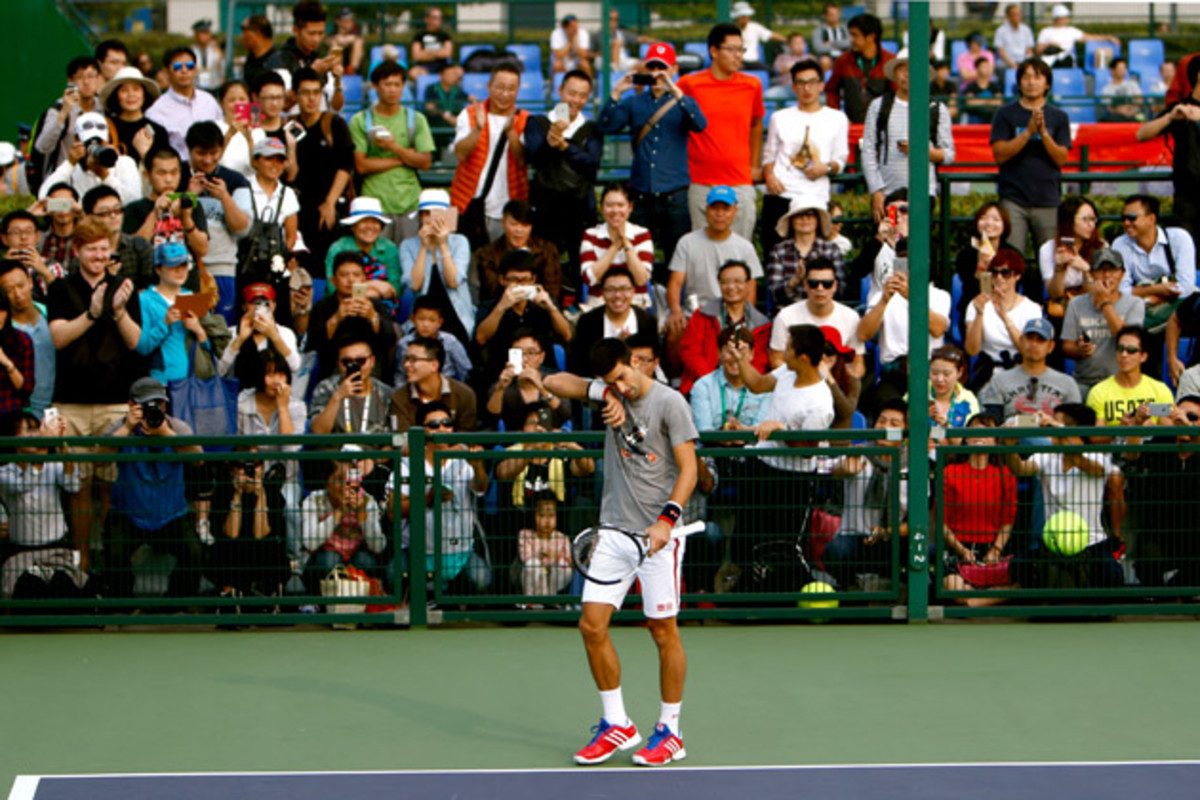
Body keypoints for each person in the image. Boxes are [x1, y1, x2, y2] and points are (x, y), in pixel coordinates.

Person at [543, 337, 698, 767]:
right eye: (613, 382)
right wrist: (604, 391)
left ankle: (670, 731)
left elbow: (690, 469)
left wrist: (667, 520)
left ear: (636, 362)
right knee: (591, 627)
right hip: (613, 530)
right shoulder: (608, 392)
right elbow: (553, 382)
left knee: (663, 632)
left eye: (624, 378)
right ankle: (618, 725)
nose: (622, 387)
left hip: (659, 535)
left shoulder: (671, 404)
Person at [597, 44, 706, 277]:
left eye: (662, 68)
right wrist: (617, 92)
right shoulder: (634, 102)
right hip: (642, 193)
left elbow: (700, 124)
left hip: (674, 193)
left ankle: (676, 306)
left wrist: (674, 89)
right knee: (635, 255)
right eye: (652, 67)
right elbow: (606, 125)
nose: (657, 73)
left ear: (674, 69)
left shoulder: (682, 102)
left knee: (677, 258)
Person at [102, 377, 204, 599]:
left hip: (172, 515)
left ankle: (177, 601)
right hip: (129, 514)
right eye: (146, 405)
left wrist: (165, 434)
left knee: (194, 553)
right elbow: (99, 458)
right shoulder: (121, 426)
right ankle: (122, 602)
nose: (154, 409)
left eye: (159, 404)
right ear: (131, 405)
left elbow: (198, 458)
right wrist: (128, 427)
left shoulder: (175, 426)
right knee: (114, 552)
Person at [1004, 403, 1124, 588]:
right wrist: (1010, 447)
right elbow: (1020, 468)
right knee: (1018, 567)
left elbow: (1081, 461)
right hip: (1054, 543)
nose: (1048, 427)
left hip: (1091, 543)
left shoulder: (1096, 456)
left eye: (1056, 422)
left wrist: (1057, 427)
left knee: (1112, 576)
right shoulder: (1047, 456)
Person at [678, 22, 765, 240]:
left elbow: (756, 123)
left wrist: (754, 164)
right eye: (732, 49)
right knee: (702, 252)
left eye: (741, 49)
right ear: (714, 51)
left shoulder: (752, 84)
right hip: (700, 181)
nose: (739, 56)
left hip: (740, 180)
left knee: (740, 251)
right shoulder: (690, 84)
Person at [392, 402, 488, 588]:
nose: (442, 429)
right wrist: (427, 499)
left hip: (461, 550)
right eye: (434, 425)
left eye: (447, 423)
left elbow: (480, 488)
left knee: (482, 580)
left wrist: (477, 466)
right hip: (420, 552)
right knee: (396, 577)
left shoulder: (462, 459)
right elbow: (393, 510)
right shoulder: (407, 463)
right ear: (422, 430)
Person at [760, 58, 849, 256]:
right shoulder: (780, 117)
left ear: (821, 85)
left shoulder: (837, 119)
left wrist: (824, 168)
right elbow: (768, 157)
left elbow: (840, 160)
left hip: (815, 197)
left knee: (815, 262)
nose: (806, 88)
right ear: (793, 87)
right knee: (775, 260)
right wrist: (770, 176)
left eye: (812, 82)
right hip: (781, 195)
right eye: (801, 83)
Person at [525, 70, 603, 282]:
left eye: (582, 95)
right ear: (560, 92)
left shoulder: (591, 129)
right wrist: (550, 142)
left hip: (579, 208)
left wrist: (564, 146)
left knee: (583, 266)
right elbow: (532, 157)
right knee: (542, 264)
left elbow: (592, 162)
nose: (576, 100)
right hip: (545, 208)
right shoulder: (538, 123)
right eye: (571, 93)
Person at [823, 399, 908, 590]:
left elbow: (916, 521)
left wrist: (886, 532)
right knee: (834, 551)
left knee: (928, 550)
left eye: (894, 424)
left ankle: (900, 586)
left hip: (890, 539)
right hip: (854, 539)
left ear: (905, 432)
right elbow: (839, 469)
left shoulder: (912, 465)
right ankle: (851, 586)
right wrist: (844, 468)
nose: (885, 427)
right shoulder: (860, 454)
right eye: (881, 421)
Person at [861, 52, 955, 222]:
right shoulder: (879, 106)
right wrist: (876, 190)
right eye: (902, 69)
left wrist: (921, 151)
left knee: (919, 244)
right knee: (889, 242)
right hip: (887, 193)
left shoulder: (937, 108)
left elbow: (948, 155)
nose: (907, 74)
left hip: (924, 193)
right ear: (895, 74)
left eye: (913, 69)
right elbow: (868, 151)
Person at [991, 58, 1071, 255]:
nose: (1031, 82)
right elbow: (999, 154)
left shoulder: (1059, 116)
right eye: (1026, 77)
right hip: (1013, 199)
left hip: (1048, 200)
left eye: (1037, 77)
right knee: (1011, 258)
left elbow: (1061, 158)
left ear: (1047, 84)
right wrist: (1027, 132)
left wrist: (1043, 133)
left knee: (1052, 261)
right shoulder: (1004, 113)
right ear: (1019, 82)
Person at [350, 61, 435, 244]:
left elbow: (425, 162)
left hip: (409, 203)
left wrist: (394, 148)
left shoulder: (416, 119)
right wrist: (402, 158)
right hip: (375, 204)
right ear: (375, 87)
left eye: (397, 85)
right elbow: (362, 165)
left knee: (409, 261)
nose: (393, 90)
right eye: (387, 84)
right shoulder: (360, 120)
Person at [1119, 395, 1200, 588]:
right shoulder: (1162, 441)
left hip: (1195, 534)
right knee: (1148, 560)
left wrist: (1189, 429)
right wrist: (1136, 426)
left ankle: (1179, 587)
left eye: (1193, 417)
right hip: (1161, 531)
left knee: (1188, 585)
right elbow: (1131, 458)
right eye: (1181, 414)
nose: (1185, 420)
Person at [666, 186, 762, 341]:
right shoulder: (687, 242)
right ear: (706, 210)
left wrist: (744, 318)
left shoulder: (745, 247)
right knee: (674, 330)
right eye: (714, 208)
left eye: (726, 209)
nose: (720, 214)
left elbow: (751, 288)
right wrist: (676, 311)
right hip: (696, 313)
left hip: (732, 313)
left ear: (735, 211)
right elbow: (675, 282)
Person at [449, 64, 529, 249]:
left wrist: (511, 133)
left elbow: (522, 160)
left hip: (509, 206)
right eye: (500, 87)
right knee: (472, 267)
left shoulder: (524, 119)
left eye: (511, 89)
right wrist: (478, 128)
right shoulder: (469, 114)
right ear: (489, 86)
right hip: (471, 203)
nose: (505, 94)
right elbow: (461, 152)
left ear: (518, 90)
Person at [940, 412, 1018, 602]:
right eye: (974, 430)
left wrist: (995, 551)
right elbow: (942, 522)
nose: (980, 435)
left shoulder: (1005, 475)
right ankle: (982, 599)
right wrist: (962, 550)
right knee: (952, 587)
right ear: (965, 439)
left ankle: (976, 601)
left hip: (992, 550)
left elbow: (1008, 520)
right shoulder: (950, 473)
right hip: (958, 549)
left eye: (987, 431)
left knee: (1022, 578)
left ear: (995, 441)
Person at [183, 121, 252, 325]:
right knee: (191, 331)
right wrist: (189, 196)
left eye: (213, 153)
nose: (207, 160)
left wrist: (225, 198)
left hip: (223, 269)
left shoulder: (235, 180)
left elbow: (243, 229)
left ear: (222, 149)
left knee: (221, 331)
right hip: (185, 269)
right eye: (200, 153)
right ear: (189, 150)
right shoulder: (177, 175)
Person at [474, 250, 572, 388]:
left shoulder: (544, 302)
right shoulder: (490, 306)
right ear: (502, 279)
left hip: (543, 371)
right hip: (503, 373)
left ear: (533, 280)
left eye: (525, 280)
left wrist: (551, 308)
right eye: (514, 279)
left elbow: (567, 335)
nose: (520, 285)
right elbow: (480, 338)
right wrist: (501, 307)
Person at [206, 450, 291, 598]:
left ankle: (267, 594)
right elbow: (231, 533)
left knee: (275, 554)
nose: (248, 470)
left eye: (255, 465)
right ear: (233, 470)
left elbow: (261, 534)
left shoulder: (271, 491)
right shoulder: (224, 490)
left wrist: (261, 496)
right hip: (233, 553)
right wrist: (237, 495)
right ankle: (230, 594)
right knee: (223, 552)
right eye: (241, 466)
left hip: (261, 552)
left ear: (262, 468)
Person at [679, 260, 770, 396]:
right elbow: (691, 353)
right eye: (725, 282)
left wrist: (741, 384)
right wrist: (713, 383)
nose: (731, 287)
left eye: (738, 281)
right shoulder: (702, 315)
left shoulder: (761, 323)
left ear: (748, 284)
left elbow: (759, 361)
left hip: (745, 390)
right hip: (704, 384)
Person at [292, 67, 355, 264]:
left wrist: (330, 202)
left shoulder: (333, 124)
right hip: (300, 208)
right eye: (305, 93)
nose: (311, 98)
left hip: (330, 207)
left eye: (316, 92)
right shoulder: (291, 126)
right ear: (295, 95)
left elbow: (345, 166)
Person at [1061, 249, 1144, 396]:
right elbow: (1066, 346)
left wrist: (1105, 303)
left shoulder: (1135, 304)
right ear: (1092, 274)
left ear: (1122, 274)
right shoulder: (1076, 304)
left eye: (1113, 270)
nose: (1107, 276)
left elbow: (1125, 339)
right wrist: (1079, 350)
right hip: (1085, 381)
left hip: (1121, 381)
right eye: (1101, 270)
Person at [0, 413, 79, 567]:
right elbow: (23, 485)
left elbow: (73, 485)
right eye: (28, 430)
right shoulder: (3, 472)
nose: (35, 435)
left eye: (37, 430)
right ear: (13, 437)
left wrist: (62, 443)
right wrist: (43, 445)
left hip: (57, 546)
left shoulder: (51, 464)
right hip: (21, 551)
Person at [1136, 58, 1200, 244]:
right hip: (1186, 195)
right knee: (1187, 252)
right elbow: (1142, 134)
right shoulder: (1180, 108)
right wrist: (1170, 118)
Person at [301, 456, 386, 595]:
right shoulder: (314, 500)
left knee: (365, 561)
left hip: (356, 557)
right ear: (327, 482)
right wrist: (338, 513)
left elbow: (378, 547)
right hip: (324, 558)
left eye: (350, 480)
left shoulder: (367, 500)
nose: (346, 486)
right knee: (331, 560)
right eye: (340, 479)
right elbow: (310, 543)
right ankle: (320, 603)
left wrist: (363, 515)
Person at [306, 251, 397, 382]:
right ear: (333, 280)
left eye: (356, 275)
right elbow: (313, 346)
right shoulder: (322, 307)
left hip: (371, 369)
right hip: (334, 368)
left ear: (364, 279)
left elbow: (390, 340)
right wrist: (336, 318)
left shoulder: (376, 306)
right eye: (344, 275)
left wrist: (372, 317)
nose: (350, 280)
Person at [1112, 194, 1196, 334]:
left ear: (1151, 218)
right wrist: (1156, 291)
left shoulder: (1179, 238)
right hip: (1142, 306)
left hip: (1175, 305)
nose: (1126, 223)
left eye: (1132, 218)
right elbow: (1121, 290)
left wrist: (1153, 297)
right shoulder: (1120, 244)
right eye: (1124, 218)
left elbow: (1186, 287)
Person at [400, 188, 474, 347]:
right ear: (420, 216)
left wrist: (442, 244)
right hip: (423, 317)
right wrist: (423, 247)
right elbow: (414, 284)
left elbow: (453, 281)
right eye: (426, 213)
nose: (431, 219)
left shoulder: (460, 241)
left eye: (437, 213)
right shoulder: (408, 245)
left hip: (455, 313)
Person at [134, 241, 212, 384]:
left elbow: (213, 348)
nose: (180, 271)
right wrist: (165, 324)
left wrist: (198, 330)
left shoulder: (194, 298)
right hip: (162, 384)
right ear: (158, 269)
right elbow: (142, 347)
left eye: (183, 265)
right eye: (172, 266)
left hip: (195, 384)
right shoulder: (144, 299)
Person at [769, 252, 864, 367]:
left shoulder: (851, 317)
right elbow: (776, 360)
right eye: (813, 283)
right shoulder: (786, 316)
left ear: (835, 286)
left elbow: (858, 363)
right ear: (805, 285)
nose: (820, 288)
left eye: (827, 284)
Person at [965, 248, 1046, 379]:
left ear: (1017, 276)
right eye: (994, 272)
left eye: (1005, 273)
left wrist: (1005, 317)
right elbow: (972, 350)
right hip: (989, 372)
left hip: (1021, 372)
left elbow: (1029, 350)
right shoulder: (977, 304)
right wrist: (979, 314)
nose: (999, 278)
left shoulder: (1031, 308)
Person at [979, 318, 1081, 421]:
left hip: (1052, 435)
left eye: (1041, 340)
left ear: (1051, 346)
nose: (1034, 344)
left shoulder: (1067, 383)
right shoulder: (999, 380)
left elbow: (1075, 426)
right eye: (1029, 338)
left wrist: (1053, 423)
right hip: (1013, 435)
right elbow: (991, 423)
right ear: (1021, 341)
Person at [123, 147, 209, 265]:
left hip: (187, 279)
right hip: (150, 280)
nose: (169, 179)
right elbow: (132, 251)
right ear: (147, 174)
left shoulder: (191, 205)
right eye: (161, 173)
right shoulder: (134, 209)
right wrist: (154, 214)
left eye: (174, 173)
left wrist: (186, 218)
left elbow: (202, 250)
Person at [309, 319, 395, 435]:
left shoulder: (386, 394)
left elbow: (392, 440)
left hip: (371, 452)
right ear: (339, 364)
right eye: (347, 362)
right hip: (335, 452)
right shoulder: (325, 388)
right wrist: (337, 397)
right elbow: (318, 432)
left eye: (361, 361)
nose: (355, 367)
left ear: (372, 361)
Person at [39, 112, 141, 207]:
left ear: (107, 140)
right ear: (76, 139)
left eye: (99, 142)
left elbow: (134, 203)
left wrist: (105, 176)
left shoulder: (124, 163)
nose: (94, 148)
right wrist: (69, 164)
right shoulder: (71, 170)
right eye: (88, 143)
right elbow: (44, 202)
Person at [471, 200, 562, 307]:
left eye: (525, 225)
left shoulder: (546, 250)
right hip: (500, 309)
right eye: (513, 224)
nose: (519, 230)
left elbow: (552, 290)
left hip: (540, 307)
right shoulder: (486, 254)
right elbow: (490, 291)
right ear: (503, 223)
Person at [569, 268, 657, 376]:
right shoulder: (588, 322)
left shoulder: (647, 321)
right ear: (602, 292)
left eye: (624, 289)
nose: (618, 295)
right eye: (610, 290)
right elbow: (581, 365)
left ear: (633, 291)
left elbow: (651, 362)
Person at [580, 184, 654, 308]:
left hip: (635, 304)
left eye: (620, 205)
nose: (615, 211)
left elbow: (641, 279)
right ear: (602, 208)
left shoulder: (642, 234)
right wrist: (614, 247)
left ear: (630, 207)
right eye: (609, 205)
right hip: (599, 305)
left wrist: (626, 243)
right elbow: (590, 278)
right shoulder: (590, 235)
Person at [145, 46, 224, 162]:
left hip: (213, 167)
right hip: (178, 173)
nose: (184, 71)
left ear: (195, 70)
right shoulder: (156, 111)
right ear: (166, 72)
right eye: (177, 67)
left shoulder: (209, 101)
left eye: (190, 66)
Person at [1086, 326, 1174, 427]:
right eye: (1120, 349)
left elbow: (1169, 431)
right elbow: (1095, 438)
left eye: (1131, 350)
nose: (1124, 354)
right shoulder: (1099, 392)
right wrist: (1121, 430)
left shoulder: (1159, 391)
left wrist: (1151, 428)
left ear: (1143, 357)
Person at [690, 326, 772, 434]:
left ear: (752, 354)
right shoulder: (703, 386)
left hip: (752, 449)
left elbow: (762, 429)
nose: (736, 357)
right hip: (711, 449)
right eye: (730, 352)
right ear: (719, 353)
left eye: (741, 351)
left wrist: (741, 432)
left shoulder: (764, 388)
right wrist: (723, 436)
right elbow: (703, 430)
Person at [33, 57, 104, 180]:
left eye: (91, 76)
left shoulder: (104, 108)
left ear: (99, 79)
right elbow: (42, 146)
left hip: (97, 177)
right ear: (70, 81)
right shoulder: (58, 109)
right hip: (66, 179)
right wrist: (64, 112)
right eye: (80, 77)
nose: (86, 82)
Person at [487, 328, 571, 432]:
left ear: (541, 357)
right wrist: (500, 389)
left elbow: (565, 415)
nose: (524, 359)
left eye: (530, 353)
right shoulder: (504, 384)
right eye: (518, 353)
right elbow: (492, 418)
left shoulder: (555, 382)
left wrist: (542, 388)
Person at [389, 334, 477, 431]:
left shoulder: (464, 395)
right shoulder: (399, 398)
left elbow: (466, 437)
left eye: (413, 360)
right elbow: (402, 437)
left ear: (434, 365)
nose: (406, 365)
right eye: (406, 359)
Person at [0, 261, 54, 417]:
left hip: (55, 406)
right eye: (9, 290)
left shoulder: (52, 315)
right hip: (19, 411)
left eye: (21, 285)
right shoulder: (6, 331)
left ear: (30, 282)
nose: (18, 294)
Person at [766, 203, 846, 307]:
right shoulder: (778, 250)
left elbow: (840, 290)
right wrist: (794, 281)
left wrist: (818, 286)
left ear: (818, 220)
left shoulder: (831, 249)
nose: (805, 218)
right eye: (799, 215)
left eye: (810, 214)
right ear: (791, 220)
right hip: (789, 313)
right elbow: (774, 294)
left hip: (823, 311)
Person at [219, 282, 302, 381]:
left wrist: (274, 336)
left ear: (274, 305)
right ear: (244, 306)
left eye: (266, 303)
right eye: (255, 303)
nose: (260, 308)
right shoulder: (231, 333)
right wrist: (239, 340)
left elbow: (296, 367)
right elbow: (219, 371)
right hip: (239, 393)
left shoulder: (285, 333)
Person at [324, 197, 401, 304]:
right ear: (353, 226)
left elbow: (395, 289)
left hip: (382, 307)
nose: (370, 227)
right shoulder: (338, 248)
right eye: (364, 221)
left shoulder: (390, 248)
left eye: (375, 222)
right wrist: (373, 285)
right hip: (340, 305)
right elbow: (333, 288)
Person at [1039, 196, 1103, 319]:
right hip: (1062, 309)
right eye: (1085, 219)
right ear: (1069, 220)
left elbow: (1097, 293)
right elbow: (1055, 294)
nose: (1091, 225)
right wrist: (1060, 268)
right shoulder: (1048, 249)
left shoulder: (1102, 247)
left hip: (1093, 305)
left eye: (1093, 219)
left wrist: (1086, 270)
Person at [825, 13, 894, 125]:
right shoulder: (843, 61)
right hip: (851, 127)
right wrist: (837, 117)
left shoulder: (889, 61)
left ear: (871, 36)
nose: (851, 40)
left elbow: (897, 95)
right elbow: (832, 90)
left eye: (855, 35)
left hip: (882, 127)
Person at [953, 201, 1010, 329]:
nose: (989, 223)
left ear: (1004, 225)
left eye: (996, 219)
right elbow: (969, 290)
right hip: (973, 307)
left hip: (1005, 308)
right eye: (983, 218)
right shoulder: (966, 254)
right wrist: (981, 266)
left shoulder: (1011, 254)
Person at [99, 67, 169, 167]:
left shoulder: (158, 131)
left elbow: (164, 169)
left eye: (136, 89)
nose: (131, 95)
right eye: (124, 90)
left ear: (144, 94)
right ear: (116, 95)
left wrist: (144, 153)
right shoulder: (105, 128)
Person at [394, 296, 471, 384]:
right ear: (413, 319)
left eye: (432, 320)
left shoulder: (450, 341)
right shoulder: (404, 344)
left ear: (440, 322)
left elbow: (465, 370)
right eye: (421, 319)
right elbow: (400, 374)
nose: (426, 324)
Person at [516, 490, 573, 602]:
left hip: (553, 579)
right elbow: (525, 558)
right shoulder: (525, 535)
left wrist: (555, 558)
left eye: (551, 516)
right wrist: (546, 554)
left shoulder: (562, 538)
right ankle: (530, 601)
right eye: (542, 515)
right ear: (533, 515)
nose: (547, 521)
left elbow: (569, 561)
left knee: (564, 566)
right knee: (533, 564)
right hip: (533, 578)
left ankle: (551, 600)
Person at [3, 209, 65, 305]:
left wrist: (44, 271)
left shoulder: (53, 267)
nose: (23, 237)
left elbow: (64, 301)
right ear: (4, 238)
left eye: (28, 232)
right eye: (16, 232)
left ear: (37, 236)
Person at [1035, 4, 1119, 69]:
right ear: (1055, 18)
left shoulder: (1072, 31)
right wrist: (1050, 45)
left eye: (1066, 17)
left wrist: (1108, 37)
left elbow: (1089, 37)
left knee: (1065, 60)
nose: (1065, 19)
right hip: (1049, 59)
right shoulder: (1045, 31)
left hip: (1066, 59)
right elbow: (1038, 51)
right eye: (1062, 17)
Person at [0, 287, 34, 435]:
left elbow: (26, 388)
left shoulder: (21, 340)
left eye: (2, 311)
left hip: (10, 416)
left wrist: (6, 363)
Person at [423, 65, 470, 158]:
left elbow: (471, 99)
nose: (452, 76)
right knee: (434, 123)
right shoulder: (431, 89)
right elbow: (430, 108)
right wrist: (446, 116)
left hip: (455, 120)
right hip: (439, 120)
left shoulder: (457, 90)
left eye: (454, 74)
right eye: (449, 74)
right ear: (441, 75)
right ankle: (446, 148)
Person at [927, 345, 979, 429]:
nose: (940, 379)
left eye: (946, 374)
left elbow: (971, 438)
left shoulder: (968, 399)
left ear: (959, 372)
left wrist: (947, 426)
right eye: (935, 373)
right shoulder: (917, 393)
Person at [730, 2, 784, 68]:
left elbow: (771, 35)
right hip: (736, 62)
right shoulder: (730, 30)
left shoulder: (755, 27)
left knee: (770, 71)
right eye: (742, 16)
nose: (745, 18)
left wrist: (788, 41)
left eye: (746, 15)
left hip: (753, 62)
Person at [410, 6, 454, 79]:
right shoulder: (419, 36)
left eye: (439, 18)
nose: (438, 21)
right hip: (423, 67)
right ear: (427, 19)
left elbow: (447, 53)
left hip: (443, 67)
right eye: (435, 18)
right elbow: (416, 55)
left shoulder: (445, 35)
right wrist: (438, 53)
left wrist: (426, 53)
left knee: (457, 72)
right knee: (413, 73)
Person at [240, 14, 279, 92]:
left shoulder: (278, 62)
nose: (242, 37)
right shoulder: (250, 60)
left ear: (258, 33)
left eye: (245, 31)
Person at [993, 3, 1035, 75]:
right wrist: (1012, 65)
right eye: (1014, 14)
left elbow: (1029, 49)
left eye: (1019, 14)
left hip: (1023, 61)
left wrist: (1026, 63)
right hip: (1007, 62)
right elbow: (1001, 52)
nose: (1017, 16)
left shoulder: (1026, 30)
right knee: (999, 65)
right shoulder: (1000, 31)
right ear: (1008, 16)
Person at [960, 56, 1003, 125]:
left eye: (988, 66)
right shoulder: (971, 87)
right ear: (977, 69)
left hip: (991, 116)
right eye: (984, 66)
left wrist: (980, 101)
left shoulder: (995, 87)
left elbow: (999, 102)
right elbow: (970, 102)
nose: (987, 69)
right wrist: (989, 101)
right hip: (975, 117)